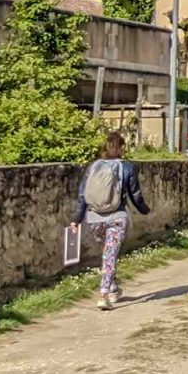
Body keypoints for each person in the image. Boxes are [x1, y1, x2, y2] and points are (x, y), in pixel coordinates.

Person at [71, 131, 150, 310]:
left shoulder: (93, 166)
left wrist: (77, 219)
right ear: (121, 147)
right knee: (110, 255)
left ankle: (112, 286)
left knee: (107, 255)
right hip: (117, 217)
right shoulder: (127, 167)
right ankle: (104, 294)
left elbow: (83, 194)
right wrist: (145, 210)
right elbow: (135, 194)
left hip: (94, 219)